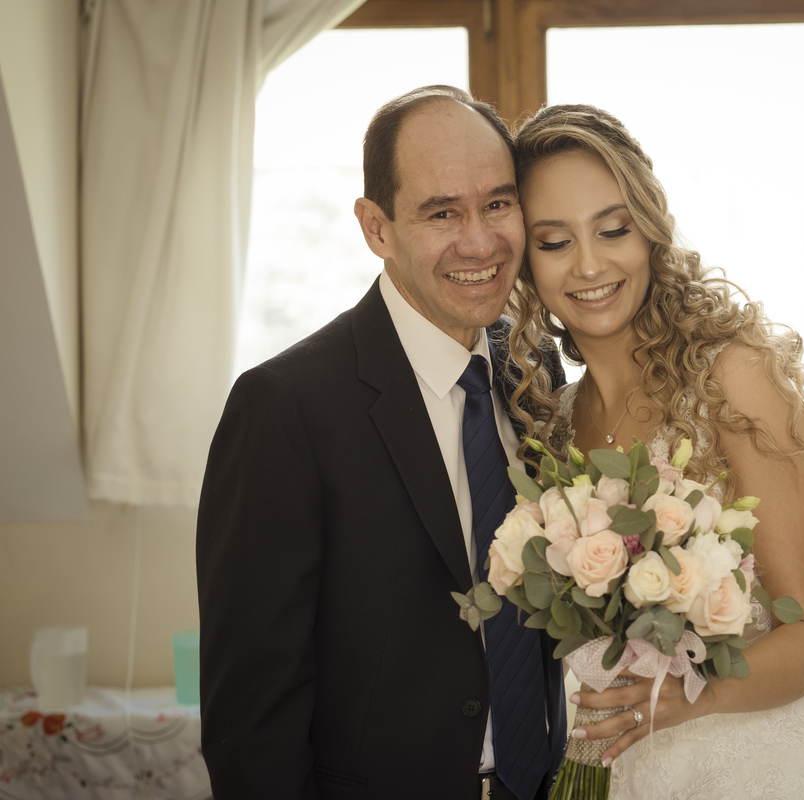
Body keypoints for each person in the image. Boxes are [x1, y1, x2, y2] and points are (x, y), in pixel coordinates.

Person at [503, 104, 804, 799]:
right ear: (524, 260)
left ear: (651, 231)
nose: (591, 264)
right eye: (554, 241)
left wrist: (696, 700)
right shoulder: (558, 423)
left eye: (613, 229)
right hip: (620, 769)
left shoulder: (734, 376)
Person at [195, 86, 567, 800]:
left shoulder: (535, 370)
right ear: (376, 227)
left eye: (497, 202)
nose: (481, 242)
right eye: (441, 213)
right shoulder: (283, 409)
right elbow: (250, 722)